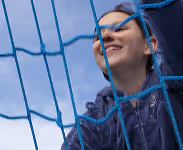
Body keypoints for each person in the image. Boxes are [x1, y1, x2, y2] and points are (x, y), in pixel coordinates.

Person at [61, 0, 183, 149]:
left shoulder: (173, 78)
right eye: (97, 37)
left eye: (119, 29)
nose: (105, 37)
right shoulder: (94, 120)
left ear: (148, 45)